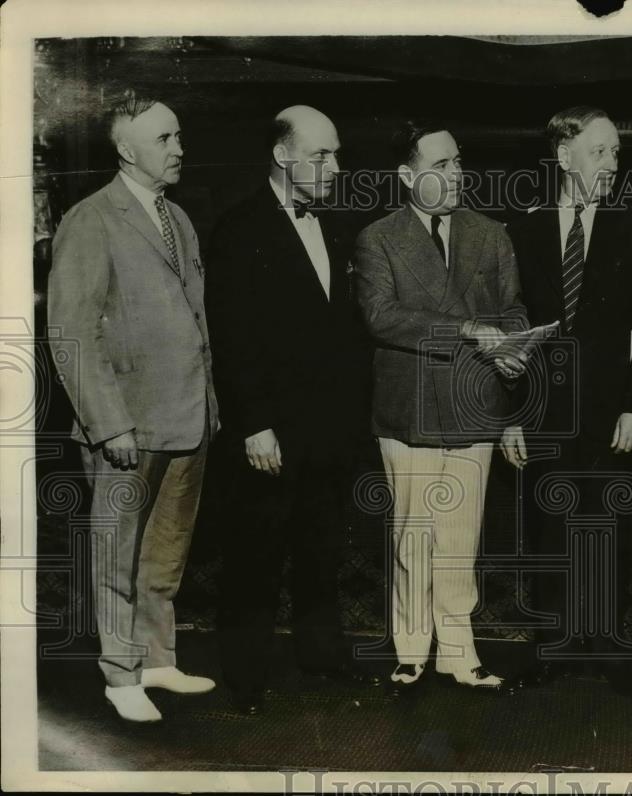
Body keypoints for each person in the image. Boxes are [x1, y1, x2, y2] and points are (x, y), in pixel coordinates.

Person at [47, 92, 219, 723]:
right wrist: (108, 422)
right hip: (126, 422)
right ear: (126, 149)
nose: (179, 149)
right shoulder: (91, 219)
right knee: (116, 552)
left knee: (166, 549)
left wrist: (210, 403)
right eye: (165, 139)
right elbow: (71, 330)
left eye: (178, 137)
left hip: (187, 415)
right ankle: (120, 673)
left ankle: (156, 659)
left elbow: (196, 321)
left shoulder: (180, 219)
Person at [206, 106, 379, 716]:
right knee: (256, 556)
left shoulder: (332, 227)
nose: (335, 166)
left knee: (321, 549)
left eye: (336, 154)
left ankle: (321, 657)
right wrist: (254, 424)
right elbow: (231, 339)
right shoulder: (236, 230)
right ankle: (245, 681)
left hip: (329, 428)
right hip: (270, 431)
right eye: (322, 155)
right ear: (283, 156)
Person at [353, 121, 528, 694]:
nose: (456, 174)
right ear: (408, 176)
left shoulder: (490, 233)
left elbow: (513, 308)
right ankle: (410, 650)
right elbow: (382, 317)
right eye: (441, 165)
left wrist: (514, 348)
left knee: (461, 536)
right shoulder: (377, 238)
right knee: (414, 534)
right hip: (411, 409)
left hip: (475, 403)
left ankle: (459, 651)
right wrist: (472, 330)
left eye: (457, 163)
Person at [500, 106, 632, 698]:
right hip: (542, 408)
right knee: (547, 527)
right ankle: (552, 650)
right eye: (600, 151)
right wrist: (511, 418)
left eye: (617, 151)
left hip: (609, 409)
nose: (613, 163)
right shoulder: (524, 227)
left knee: (607, 525)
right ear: (564, 156)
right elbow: (513, 329)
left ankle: (608, 649)